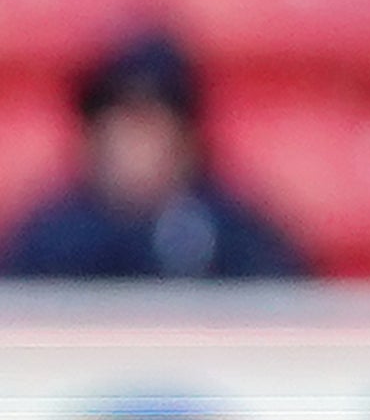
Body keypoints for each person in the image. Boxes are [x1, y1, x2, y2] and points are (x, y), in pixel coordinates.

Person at [2, 35, 313, 283]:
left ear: (186, 138)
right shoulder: (49, 238)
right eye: (121, 123)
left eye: (151, 124)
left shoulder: (237, 236)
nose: (136, 146)